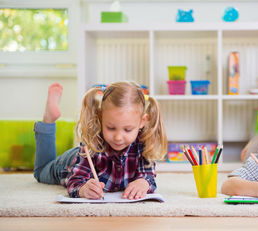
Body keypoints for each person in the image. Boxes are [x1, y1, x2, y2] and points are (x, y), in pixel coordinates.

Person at [33, 81, 167, 200]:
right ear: (101, 117)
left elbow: (148, 176)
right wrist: (83, 189)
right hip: (68, 164)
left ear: (142, 122)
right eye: (111, 128)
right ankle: (48, 121)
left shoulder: (144, 142)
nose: (118, 137)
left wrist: (143, 183)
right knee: (40, 172)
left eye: (127, 130)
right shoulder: (93, 142)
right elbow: (75, 181)